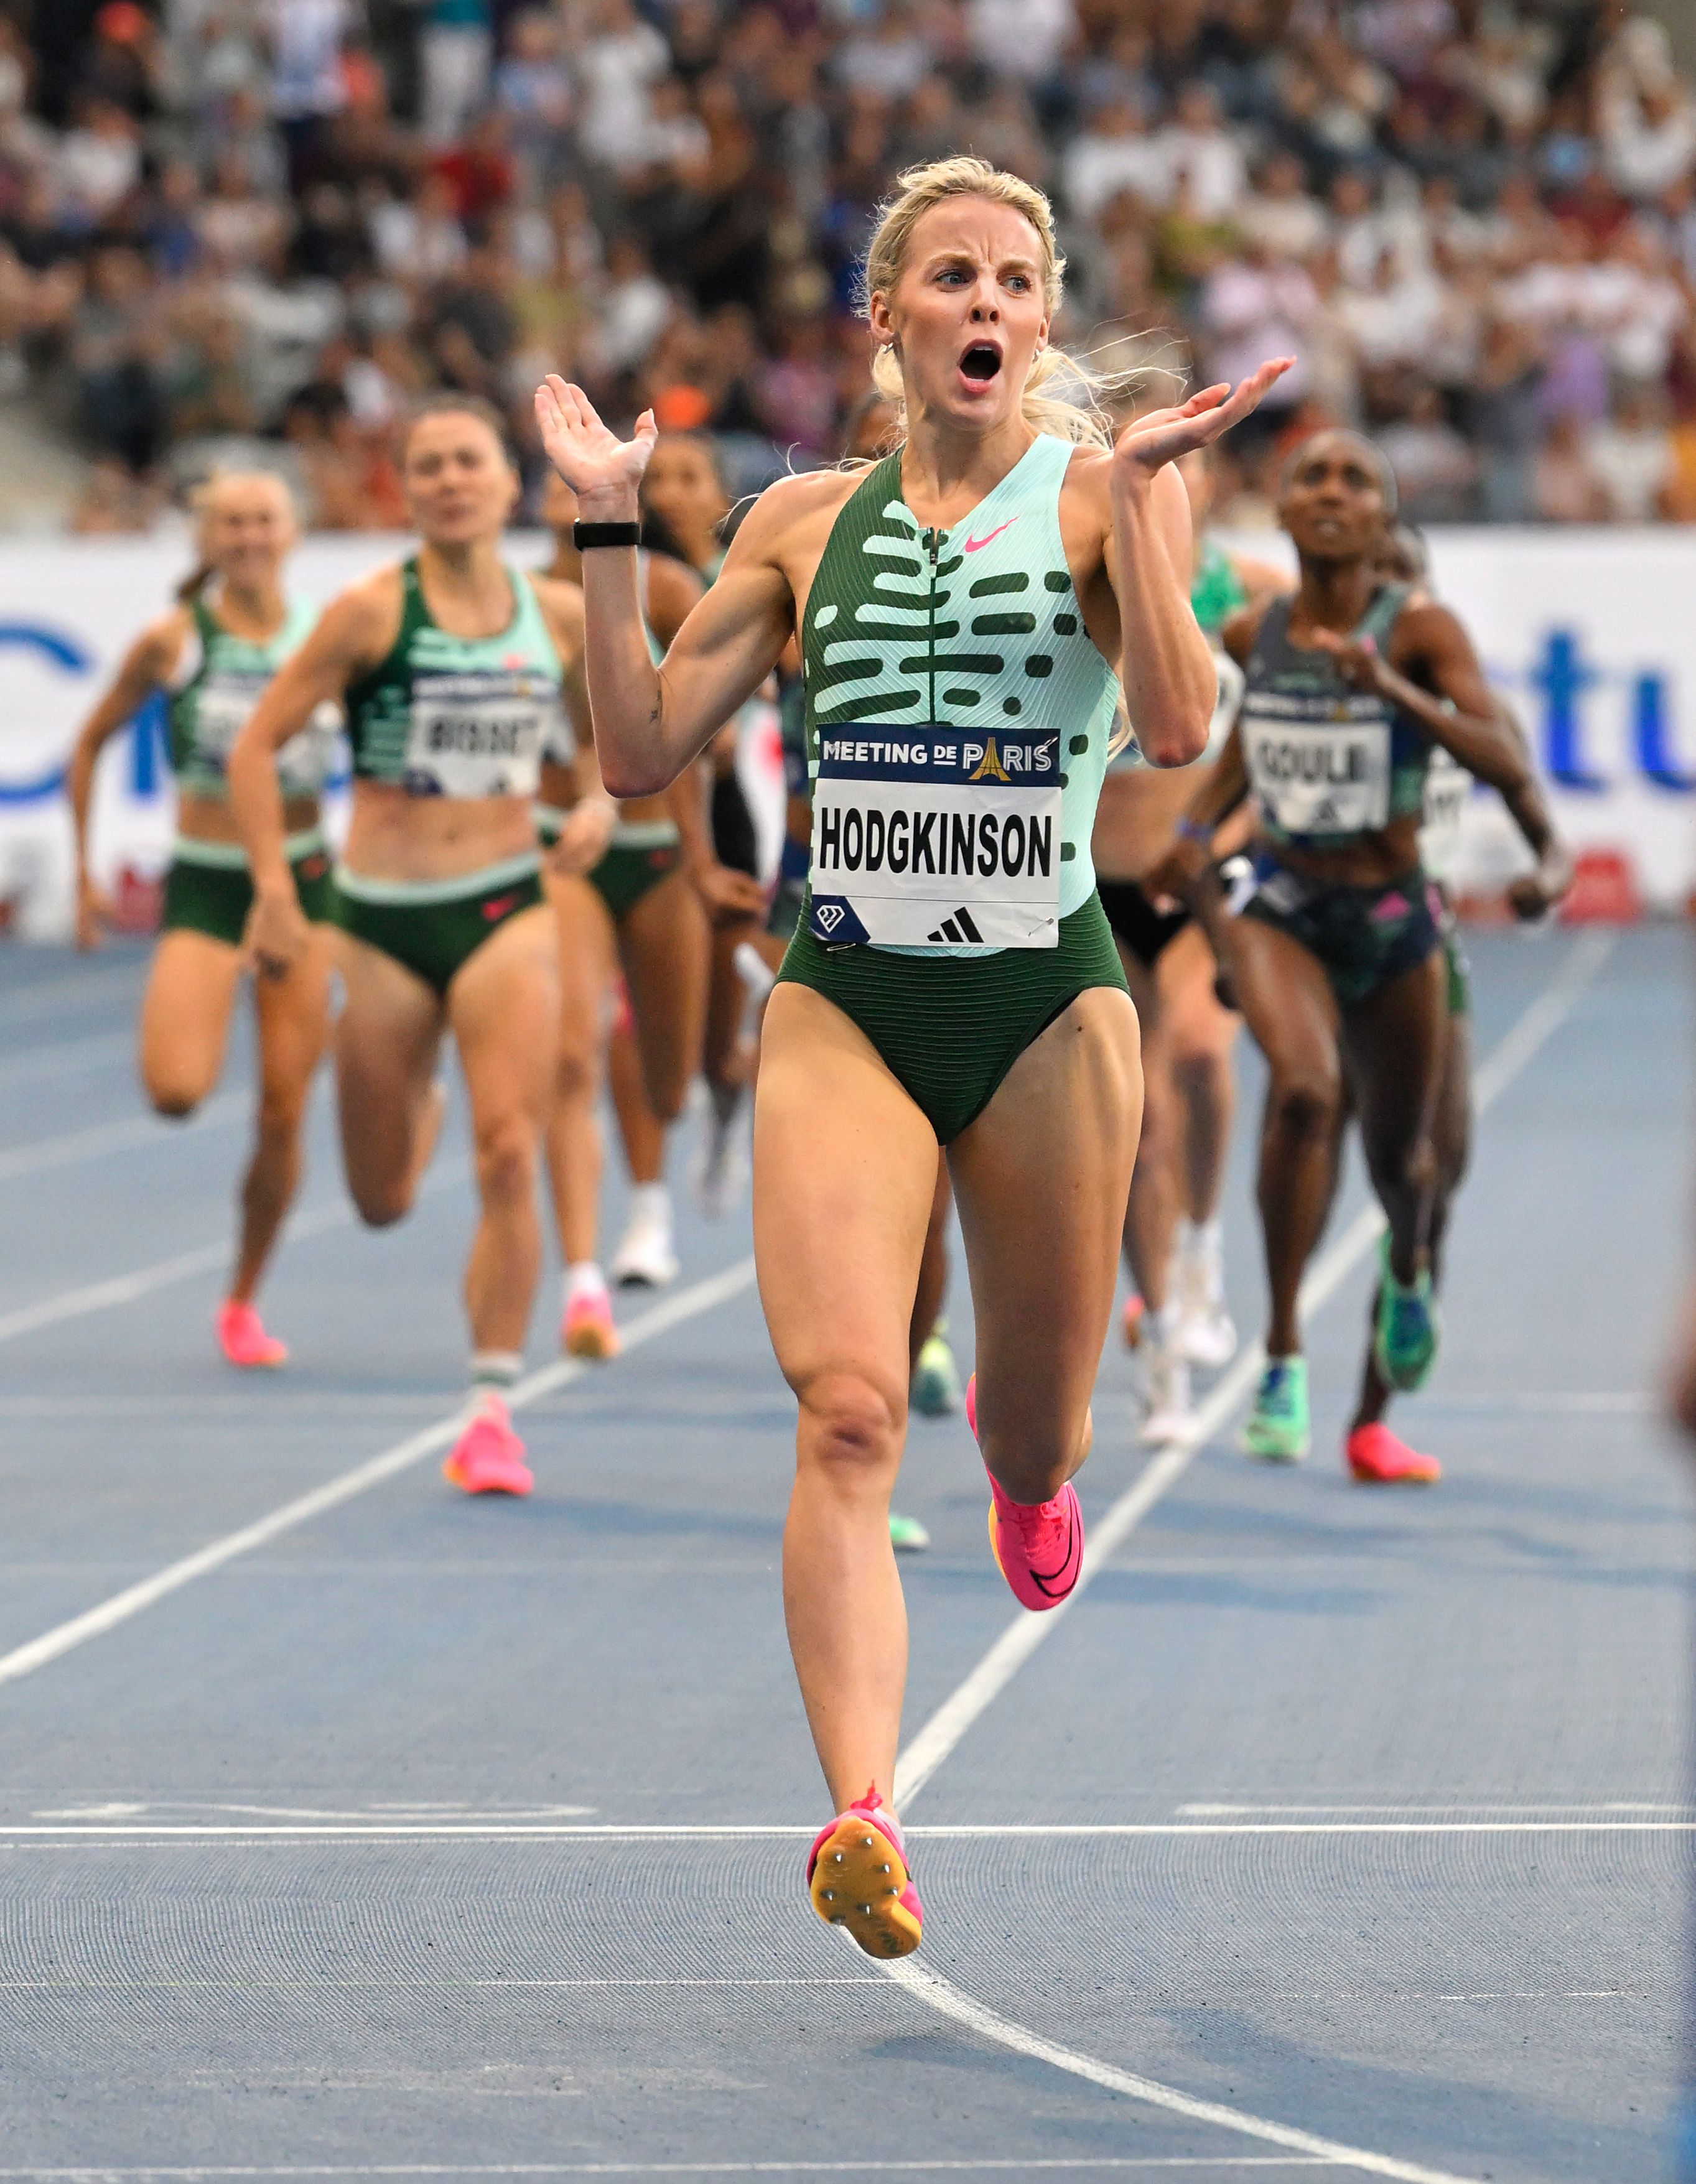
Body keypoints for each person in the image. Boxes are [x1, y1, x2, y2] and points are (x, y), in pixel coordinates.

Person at [537, 154, 1288, 1957]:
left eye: (1014, 282)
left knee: (1032, 1421)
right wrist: (602, 531)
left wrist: (1149, 516)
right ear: (887, 317)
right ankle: (859, 1809)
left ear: (1038, 321)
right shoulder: (798, 523)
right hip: (844, 994)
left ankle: (1032, 1483)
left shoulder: (1104, 496)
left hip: (1044, 1002)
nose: (984, 305)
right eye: (947, 276)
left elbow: (1176, 723)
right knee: (850, 1405)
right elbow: (638, 752)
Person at [1151, 430, 1550, 1475]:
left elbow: (1509, 762)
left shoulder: (1421, 639)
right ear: (1277, 515)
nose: (1331, 495)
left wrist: (1390, 692)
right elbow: (1242, 762)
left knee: (1414, 1165)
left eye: (1355, 481)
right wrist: (1193, 857)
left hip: (1397, 920)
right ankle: (1282, 1355)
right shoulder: (1256, 635)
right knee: (1303, 1092)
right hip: (1286, 902)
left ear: (1385, 527)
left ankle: (1400, 1295)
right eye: (1309, 479)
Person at [228, 394, 586, 1498]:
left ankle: (491, 1407)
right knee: (381, 1197)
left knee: (510, 1151)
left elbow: (614, 741)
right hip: (381, 921)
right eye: (425, 465)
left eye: (466, 460)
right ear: (406, 488)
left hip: (504, 908)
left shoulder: (560, 615)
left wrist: (602, 811)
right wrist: (277, 890)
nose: (447, 479)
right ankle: (416, 1103)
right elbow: (255, 746)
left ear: (507, 480)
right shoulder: (367, 615)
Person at [66, 470, 337, 1370]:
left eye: (264, 519)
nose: (250, 535)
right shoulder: (175, 640)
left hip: (303, 883)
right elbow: (88, 740)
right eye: (231, 523)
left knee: (283, 1109)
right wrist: (80, 869)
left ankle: (242, 1297)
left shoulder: (327, 637)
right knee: (176, 1090)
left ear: (292, 531)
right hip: (210, 883)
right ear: (206, 540)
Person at [1323, 519, 1571, 1482]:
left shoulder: (1462, 704)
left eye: (1399, 581)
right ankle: (1270, 1357)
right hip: (1313, 941)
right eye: (1368, 578)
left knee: (1434, 1171)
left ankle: (1370, 1411)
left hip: (1417, 950)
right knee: (1309, 1119)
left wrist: (1549, 872)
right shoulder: (1317, 701)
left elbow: (1526, 798)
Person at [531, 467, 754, 1345]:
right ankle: (608, 1249)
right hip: (564, 849)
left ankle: (690, 1135)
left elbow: (692, 729)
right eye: (545, 479)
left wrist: (699, 859)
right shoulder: (518, 598)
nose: (559, 491)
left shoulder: (661, 588)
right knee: (578, 1043)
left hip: (661, 847)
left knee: (672, 1069)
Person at [1092, 440, 1285, 1443]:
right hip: (1103, 881)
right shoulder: (1082, 582)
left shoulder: (1251, 597)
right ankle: (1160, 1334)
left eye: (1186, 465)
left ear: (1208, 483)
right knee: (1135, 1130)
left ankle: (1204, 1252)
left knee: (1206, 1059)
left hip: (1207, 883)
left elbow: (1290, 734)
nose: (1168, 481)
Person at [638, 430, 770, 1218]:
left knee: (723, 1038)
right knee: (660, 1027)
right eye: (659, 478)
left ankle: (726, 1112)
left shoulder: (750, 572)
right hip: (651, 808)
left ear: (720, 491)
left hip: (734, 804)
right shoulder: (641, 579)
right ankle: (648, 1191)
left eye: (690, 475)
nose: (672, 492)